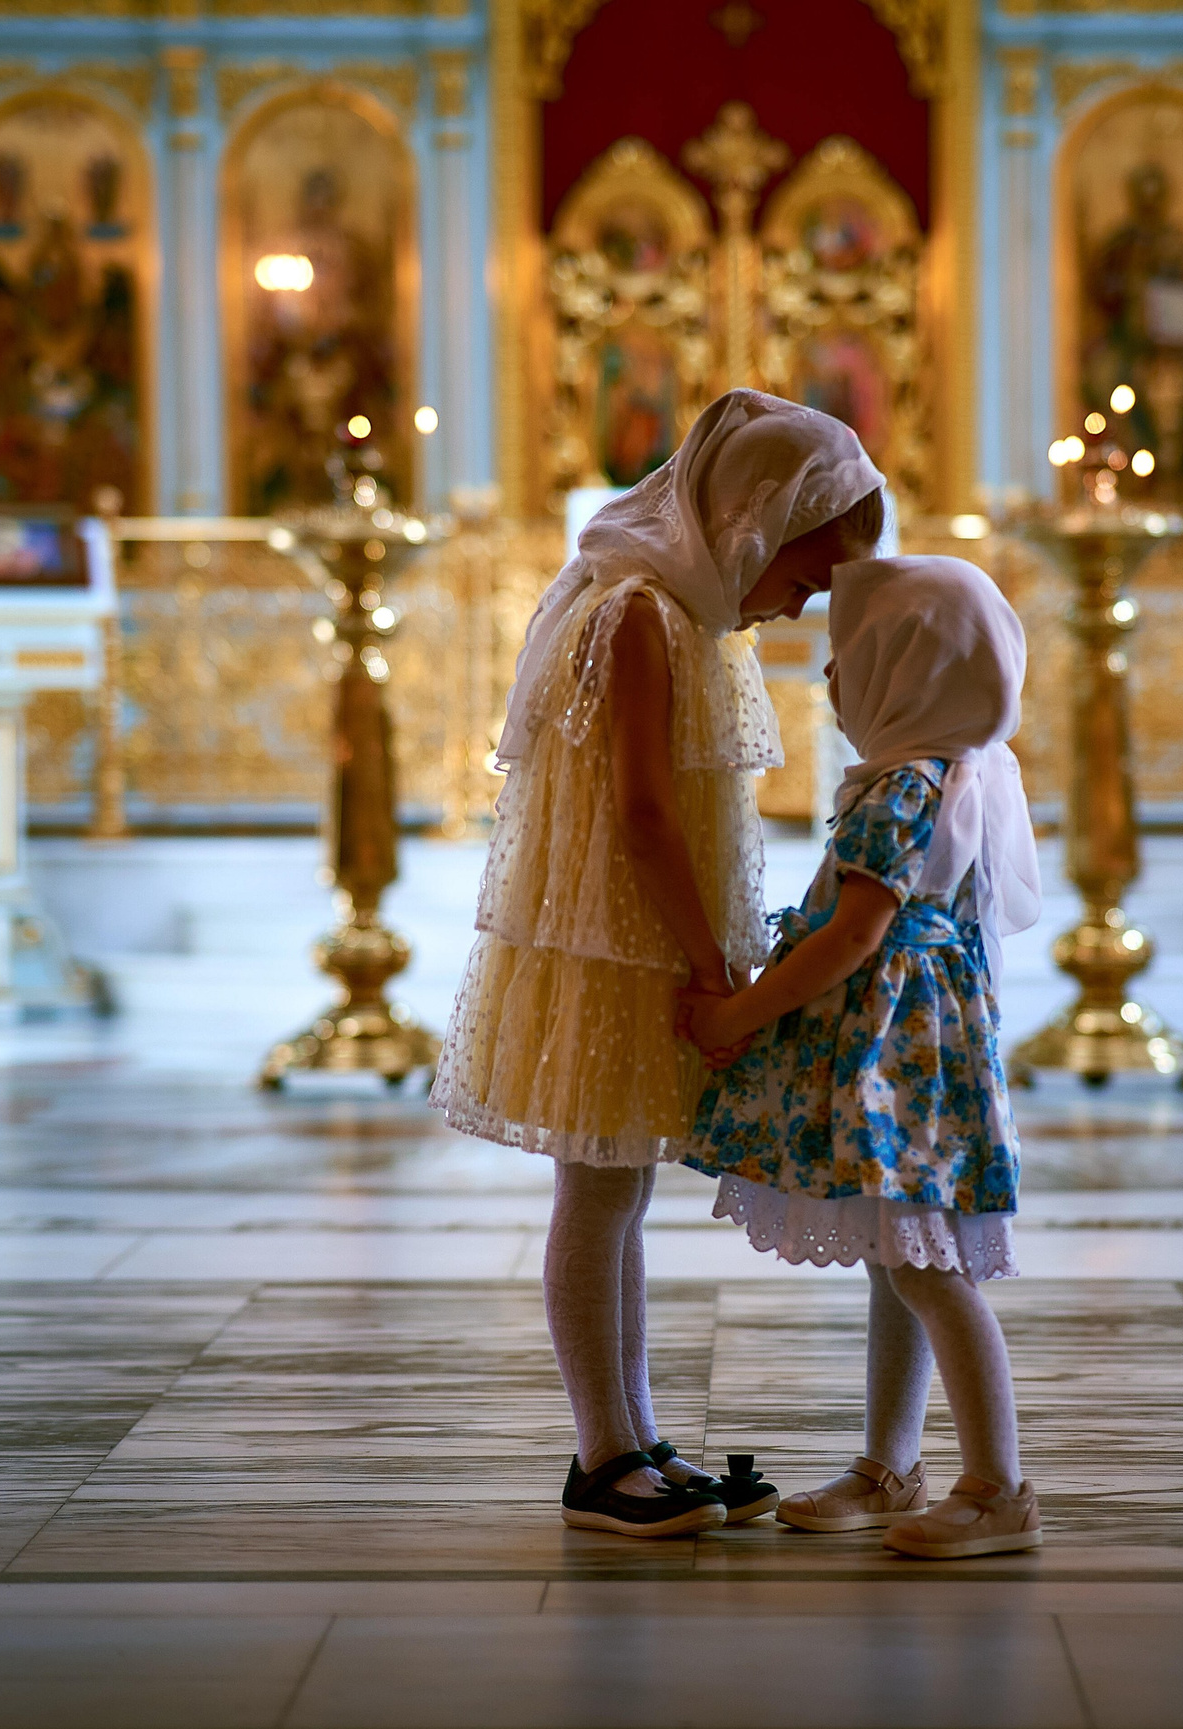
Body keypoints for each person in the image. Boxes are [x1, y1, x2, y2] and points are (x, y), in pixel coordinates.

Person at [432, 390, 888, 1537]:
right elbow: (639, 813)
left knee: (618, 1188)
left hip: (640, 937)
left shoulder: (684, 612)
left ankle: (630, 1434)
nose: (802, 601)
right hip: (616, 943)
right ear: (750, 519)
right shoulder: (637, 611)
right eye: (804, 571)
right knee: (595, 1190)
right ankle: (601, 1455)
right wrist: (711, 968)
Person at [678, 555, 1044, 1559]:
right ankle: (890, 1466)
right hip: (915, 1052)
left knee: (928, 1269)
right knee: (900, 1256)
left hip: (898, 1060)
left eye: (847, 660)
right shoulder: (954, 770)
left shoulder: (901, 787)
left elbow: (853, 935)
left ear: (906, 673)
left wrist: (742, 1011)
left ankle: (997, 1486)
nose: (831, 682)